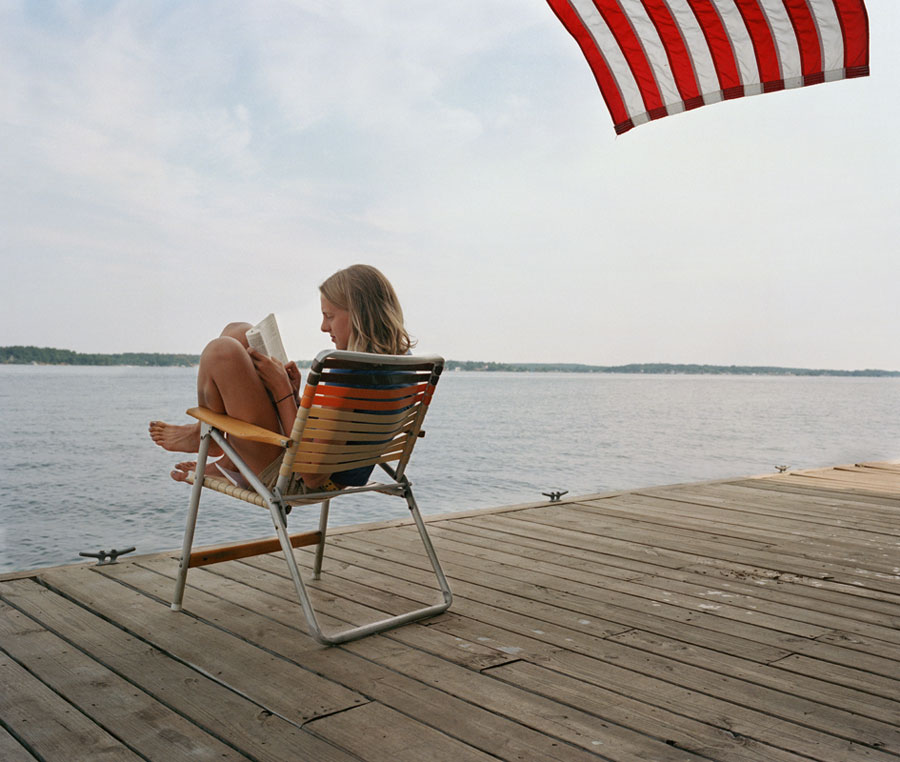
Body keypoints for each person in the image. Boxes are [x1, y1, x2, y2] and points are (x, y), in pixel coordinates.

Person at [149, 264, 414, 490]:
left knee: (223, 351)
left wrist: (282, 392)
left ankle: (208, 435)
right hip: (318, 464)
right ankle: (219, 449)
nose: (324, 327)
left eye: (329, 316)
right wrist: (296, 396)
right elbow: (333, 435)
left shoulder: (345, 372)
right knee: (240, 331)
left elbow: (312, 475)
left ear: (359, 315)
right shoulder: (404, 368)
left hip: (292, 477)